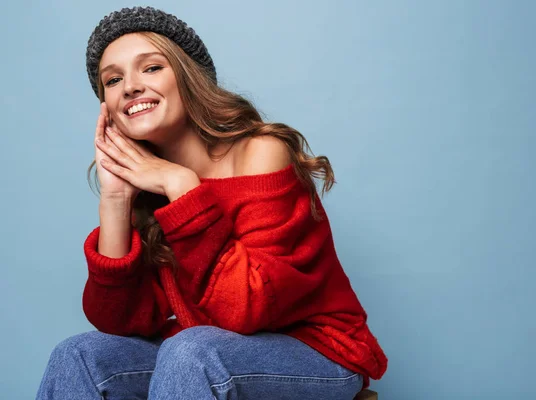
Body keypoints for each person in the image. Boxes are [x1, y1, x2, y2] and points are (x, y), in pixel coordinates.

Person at [36, 6, 387, 400]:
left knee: (192, 351)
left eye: (151, 68)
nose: (130, 86)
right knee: (78, 355)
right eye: (113, 80)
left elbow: (250, 307)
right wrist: (116, 199)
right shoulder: (145, 185)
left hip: (317, 352)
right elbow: (119, 322)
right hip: (201, 351)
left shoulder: (260, 153)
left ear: (188, 77)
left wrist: (182, 186)